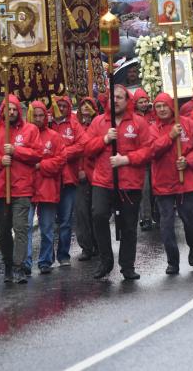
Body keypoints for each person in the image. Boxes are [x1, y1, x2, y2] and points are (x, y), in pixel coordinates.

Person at [84, 85, 152, 280]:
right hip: (103, 180)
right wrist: (105, 139)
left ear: (127, 100)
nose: (116, 100)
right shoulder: (98, 122)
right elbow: (87, 148)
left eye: (120, 97)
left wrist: (127, 159)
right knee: (98, 216)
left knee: (129, 225)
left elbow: (148, 150)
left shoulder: (138, 123)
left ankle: (127, 265)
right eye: (112, 97)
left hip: (129, 182)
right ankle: (106, 261)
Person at [0, 95, 41, 283]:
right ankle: (7, 264)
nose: (12, 112)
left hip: (21, 188)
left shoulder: (30, 130)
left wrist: (16, 151)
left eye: (14, 109)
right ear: (3, 111)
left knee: (21, 228)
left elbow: (37, 154)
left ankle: (18, 266)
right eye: (8, 109)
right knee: (3, 231)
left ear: (19, 111)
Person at [149, 93, 193, 274]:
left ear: (171, 106)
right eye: (158, 106)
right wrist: (170, 136)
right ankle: (172, 261)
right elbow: (151, 150)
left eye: (164, 106)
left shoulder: (189, 124)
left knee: (190, 221)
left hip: (186, 182)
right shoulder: (152, 129)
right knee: (166, 224)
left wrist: (188, 161)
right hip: (163, 183)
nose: (161, 109)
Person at [25, 101, 67, 274]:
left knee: (47, 228)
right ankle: (25, 263)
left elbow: (60, 160)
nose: (38, 119)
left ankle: (45, 261)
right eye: (35, 116)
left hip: (48, 186)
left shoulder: (54, 136)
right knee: (25, 227)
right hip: (27, 187)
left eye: (41, 115)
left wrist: (40, 165)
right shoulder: (24, 135)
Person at [49, 95, 86, 266]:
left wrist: (62, 154)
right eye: (59, 105)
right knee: (49, 221)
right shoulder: (47, 122)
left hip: (69, 179)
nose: (61, 108)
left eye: (64, 106)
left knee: (65, 220)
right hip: (49, 180)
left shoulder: (74, 123)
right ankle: (47, 257)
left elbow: (82, 144)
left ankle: (63, 255)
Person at [75, 97, 99, 261]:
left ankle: (99, 244)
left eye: (89, 104)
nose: (86, 107)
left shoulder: (99, 125)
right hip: (80, 175)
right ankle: (86, 246)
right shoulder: (76, 126)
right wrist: (80, 169)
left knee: (97, 212)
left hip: (97, 174)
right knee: (82, 212)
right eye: (83, 104)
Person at [132, 89, 154, 232]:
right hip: (143, 158)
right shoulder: (133, 117)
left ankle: (156, 214)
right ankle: (145, 218)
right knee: (144, 190)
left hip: (156, 156)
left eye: (146, 101)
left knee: (156, 187)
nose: (144, 104)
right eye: (141, 102)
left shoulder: (153, 114)